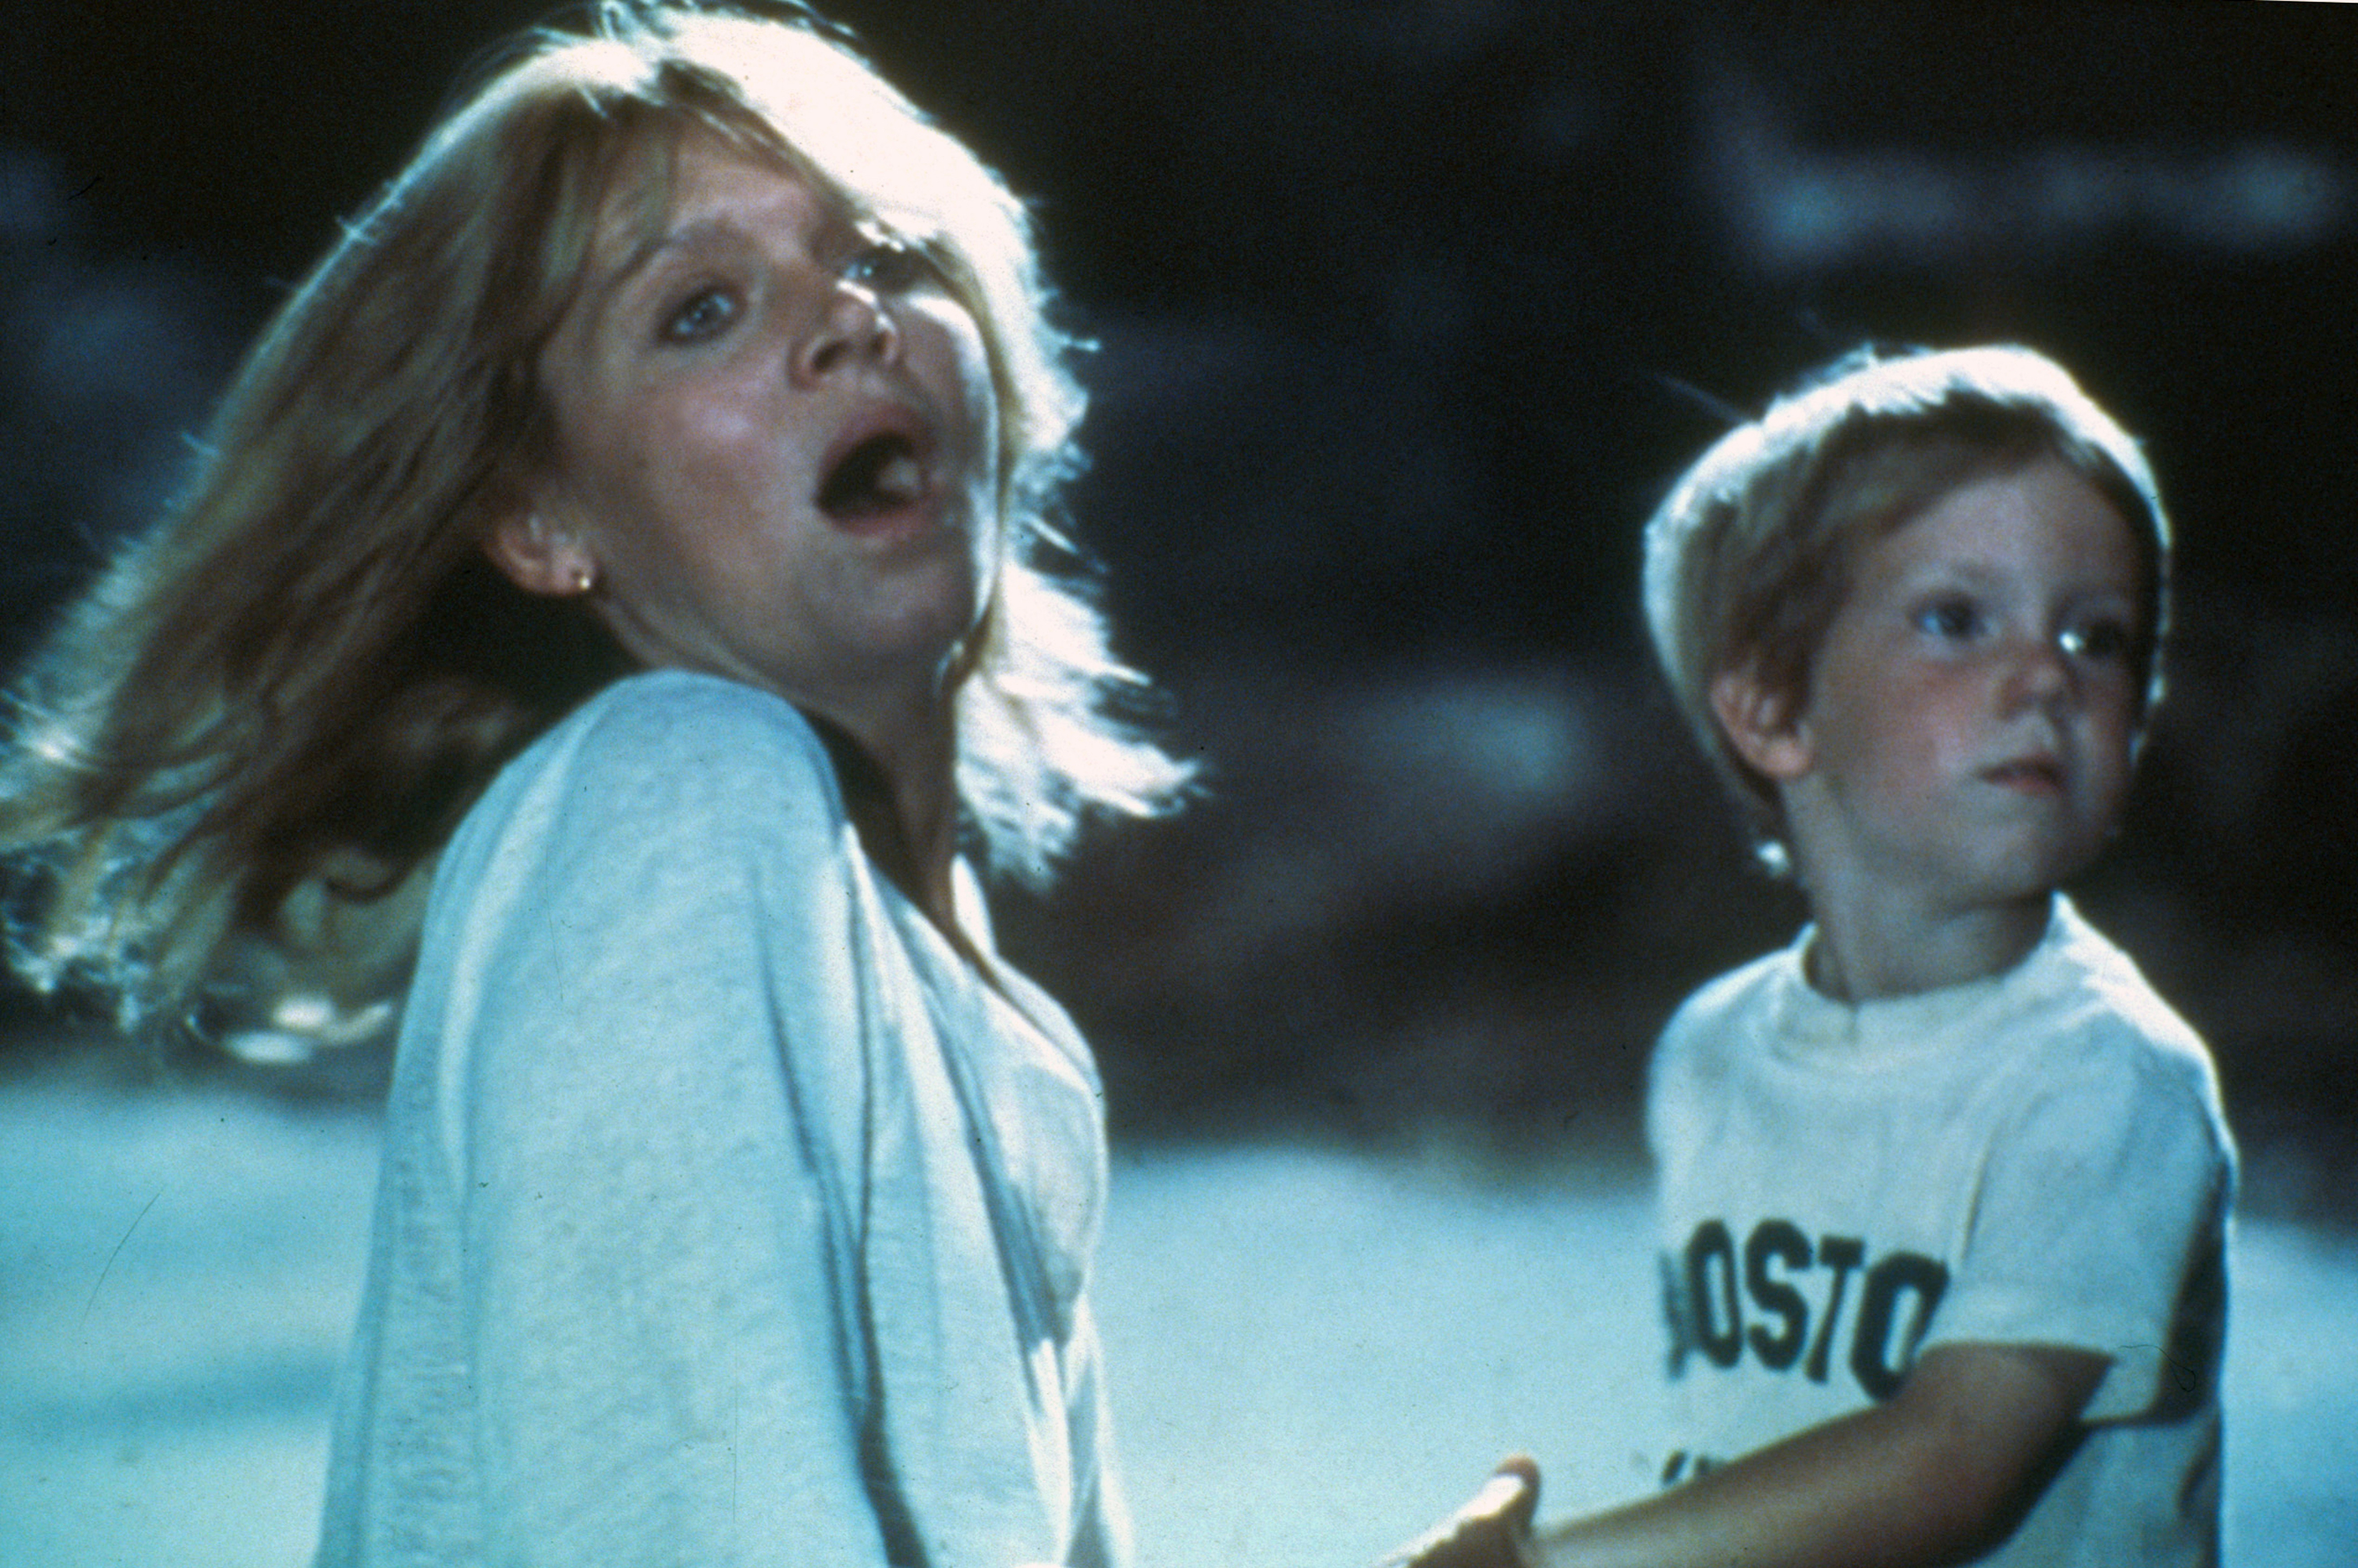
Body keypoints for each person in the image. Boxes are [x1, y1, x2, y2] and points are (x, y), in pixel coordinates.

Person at [0, 5, 1192, 1564]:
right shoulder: (682, 799)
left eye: (886, 248)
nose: (850, 317)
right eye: (702, 309)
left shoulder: (935, 959)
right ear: (544, 522)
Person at [1389, 345, 2234, 1567]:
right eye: (1955, 618)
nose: (2045, 676)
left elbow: (1948, 1461)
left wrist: (1546, 1562)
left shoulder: (2104, 1079)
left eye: (2097, 638)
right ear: (1774, 711)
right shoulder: (1712, 1052)